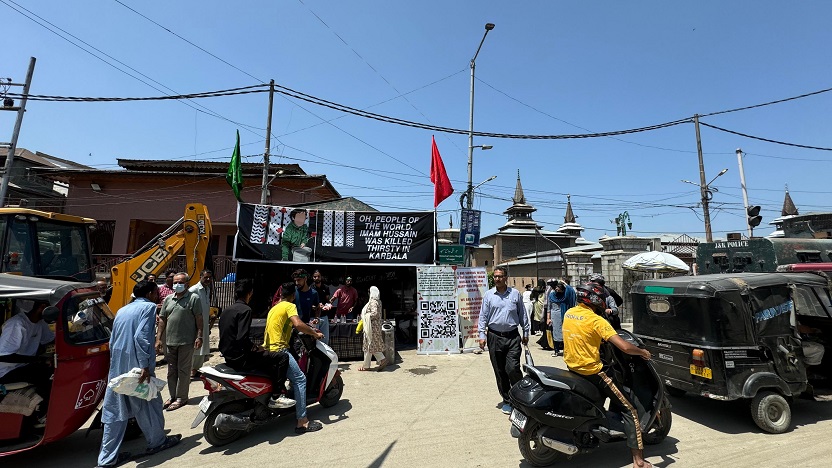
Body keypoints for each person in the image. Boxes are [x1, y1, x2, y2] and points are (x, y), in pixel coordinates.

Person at [562, 282, 653, 468]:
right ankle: (639, 462)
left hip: (573, 367)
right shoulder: (596, 321)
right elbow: (625, 347)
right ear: (596, 299)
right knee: (631, 410)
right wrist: (643, 352)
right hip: (593, 371)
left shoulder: (569, 313)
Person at [95, 281, 181, 468]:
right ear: (150, 293)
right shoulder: (148, 308)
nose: (158, 296)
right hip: (137, 369)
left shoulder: (121, 310)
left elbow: (113, 339)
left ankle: (107, 459)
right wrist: (144, 366)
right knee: (149, 404)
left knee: (114, 412)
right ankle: (157, 442)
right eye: (156, 293)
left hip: (118, 368)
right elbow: (141, 337)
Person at [219, 279, 295, 409]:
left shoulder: (227, 310)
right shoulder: (245, 310)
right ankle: (276, 396)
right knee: (282, 357)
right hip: (240, 357)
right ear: (250, 293)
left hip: (228, 355)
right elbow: (242, 338)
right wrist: (256, 348)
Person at [264, 282, 325, 433]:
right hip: (280, 350)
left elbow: (289, 327)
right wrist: (314, 333)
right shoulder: (289, 306)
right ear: (293, 295)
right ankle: (302, 421)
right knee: (300, 379)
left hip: (268, 351)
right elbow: (297, 324)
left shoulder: (274, 308)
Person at [477, 266, 530, 415]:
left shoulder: (515, 294)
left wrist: (526, 332)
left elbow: (523, 314)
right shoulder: (488, 295)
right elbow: (483, 316)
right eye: (495, 276)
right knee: (500, 371)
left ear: (506, 278)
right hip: (494, 337)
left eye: (500, 276)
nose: (497, 279)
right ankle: (507, 400)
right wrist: (481, 336)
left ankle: (520, 398)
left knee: (512, 368)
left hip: (513, 336)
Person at [0, 300, 55, 426]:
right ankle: (41, 414)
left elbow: (50, 339)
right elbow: (4, 356)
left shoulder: (40, 323)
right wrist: (38, 360)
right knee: (45, 373)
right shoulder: (16, 324)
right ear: (42, 307)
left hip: (24, 366)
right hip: (7, 371)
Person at [155, 272, 204, 412]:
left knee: (183, 370)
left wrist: (199, 336)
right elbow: (163, 319)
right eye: (175, 282)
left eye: (180, 282)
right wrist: (158, 339)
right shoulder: (168, 299)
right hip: (170, 341)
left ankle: (181, 398)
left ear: (187, 284)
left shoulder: (193, 298)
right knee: (171, 371)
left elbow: (199, 319)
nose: (177, 284)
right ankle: (173, 396)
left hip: (186, 342)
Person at [189, 269, 213, 378]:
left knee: (202, 347)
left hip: (204, 322)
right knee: (195, 347)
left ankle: (195, 369)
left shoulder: (207, 289)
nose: (208, 279)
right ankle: (190, 370)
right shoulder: (194, 289)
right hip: (195, 324)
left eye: (209, 277)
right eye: (205, 277)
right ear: (200, 277)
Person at [359, 286, 388, 371]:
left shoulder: (373, 302)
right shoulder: (379, 301)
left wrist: (365, 316)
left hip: (372, 327)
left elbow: (375, 314)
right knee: (370, 345)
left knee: (370, 345)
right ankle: (366, 365)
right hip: (375, 326)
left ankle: (382, 359)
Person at [548, 279, 576, 357]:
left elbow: (572, 291)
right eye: (556, 287)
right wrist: (548, 318)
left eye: (558, 288)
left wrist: (565, 284)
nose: (556, 289)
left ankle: (565, 350)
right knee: (555, 333)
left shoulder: (565, 296)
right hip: (555, 317)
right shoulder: (552, 295)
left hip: (564, 316)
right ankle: (556, 350)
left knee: (565, 333)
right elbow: (549, 308)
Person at [311, 270, 333, 344]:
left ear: (321, 277)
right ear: (312, 278)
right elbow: (309, 302)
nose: (317, 278)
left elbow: (328, 301)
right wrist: (315, 306)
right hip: (314, 317)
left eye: (318, 276)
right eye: (315, 277)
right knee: (314, 339)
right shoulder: (310, 288)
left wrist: (328, 305)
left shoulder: (326, 287)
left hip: (324, 316)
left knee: (325, 339)